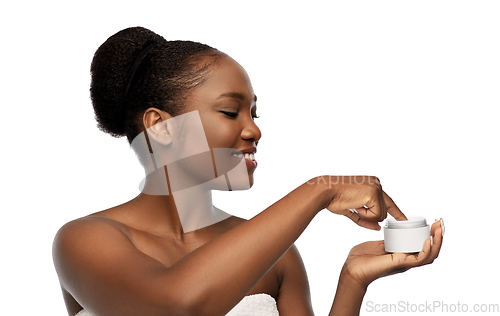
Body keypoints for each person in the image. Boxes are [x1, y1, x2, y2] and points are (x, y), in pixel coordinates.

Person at [52, 26, 444, 316]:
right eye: (229, 111)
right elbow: (175, 306)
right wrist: (318, 191)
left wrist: (353, 280)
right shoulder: (84, 241)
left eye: (253, 113)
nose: (254, 129)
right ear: (161, 127)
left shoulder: (277, 255)